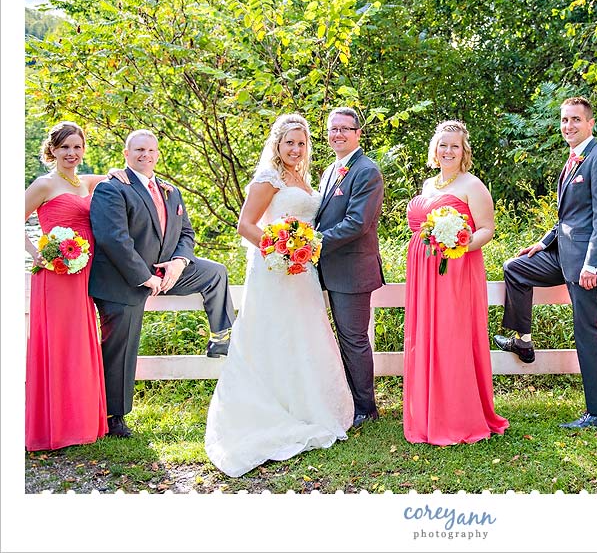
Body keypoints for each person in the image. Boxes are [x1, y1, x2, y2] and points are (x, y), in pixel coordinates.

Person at [204, 114, 354, 477]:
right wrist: (280, 250)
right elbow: (246, 225)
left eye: (301, 143)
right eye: (289, 142)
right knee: (273, 336)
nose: (296, 149)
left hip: (302, 271)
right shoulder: (267, 178)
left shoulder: (305, 178)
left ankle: (309, 407)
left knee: (305, 333)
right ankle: (272, 411)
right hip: (274, 269)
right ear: (277, 144)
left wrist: (298, 252)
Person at [89, 129, 235, 438]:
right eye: (139, 150)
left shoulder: (170, 191)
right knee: (121, 347)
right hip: (124, 278)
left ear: (158, 154)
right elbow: (114, 239)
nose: (146, 155)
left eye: (151, 150)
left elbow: (186, 234)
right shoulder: (112, 188)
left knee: (215, 272)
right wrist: (144, 277)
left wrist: (179, 263)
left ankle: (220, 335)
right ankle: (113, 416)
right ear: (127, 154)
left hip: (166, 271)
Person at [494, 96, 597, 429]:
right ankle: (523, 340)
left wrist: (593, 264)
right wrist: (543, 242)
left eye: (576, 120)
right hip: (563, 255)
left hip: (589, 267)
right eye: (565, 120)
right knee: (516, 269)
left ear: (590, 123)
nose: (569, 126)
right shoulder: (573, 160)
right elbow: (571, 217)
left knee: (589, 333)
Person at [403, 121, 509, 445]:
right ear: (434, 149)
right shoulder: (427, 185)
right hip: (422, 271)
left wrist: (459, 245)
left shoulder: (472, 185)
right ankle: (427, 413)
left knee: (451, 337)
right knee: (426, 336)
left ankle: (457, 416)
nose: (448, 151)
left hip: (456, 272)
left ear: (464, 152)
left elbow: (487, 229)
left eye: (455, 146)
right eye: (443, 145)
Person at [24, 121, 110, 451]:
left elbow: (127, 178)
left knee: (79, 344)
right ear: (53, 150)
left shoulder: (85, 182)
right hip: (55, 275)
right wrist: (37, 253)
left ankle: (82, 423)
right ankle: (54, 427)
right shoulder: (44, 184)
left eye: (77, 146)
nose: (72, 153)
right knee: (59, 344)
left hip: (83, 274)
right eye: (65, 147)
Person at [315, 107, 385, 429]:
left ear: (358, 133)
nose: (338, 134)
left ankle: (365, 408)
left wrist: (313, 242)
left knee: (354, 339)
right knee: (334, 339)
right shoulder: (330, 170)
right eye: (333, 129)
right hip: (327, 269)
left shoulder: (366, 170)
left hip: (353, 272)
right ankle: (345, 401)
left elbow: (357, 223)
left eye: (345, 128)